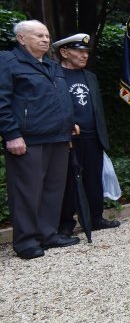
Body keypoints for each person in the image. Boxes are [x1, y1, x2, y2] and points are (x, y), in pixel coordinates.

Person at [0, 20, 78, 259]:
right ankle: (25, 241)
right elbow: (2, 101)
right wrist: (11, 134)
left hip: (58, 136)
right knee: (27, 191)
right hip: (28, 139)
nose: (45, 39)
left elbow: (60, 99)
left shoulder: (52, 66)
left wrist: (69, 123)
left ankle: (47, 233)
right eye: (38, 35)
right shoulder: (8, 61)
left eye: (46, 35)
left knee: (53, 190)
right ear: (21, 39)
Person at [54, 34, 120, 236]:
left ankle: (95, 218)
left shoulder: (89, 76)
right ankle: (66, 223)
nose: (84, 56)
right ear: (64, 52)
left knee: (94, 179)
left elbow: (96, 108)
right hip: (68, 138)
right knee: (67, 181)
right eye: (79, 51)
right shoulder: (54, 75)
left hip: (93, 137)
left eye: (86, 52)